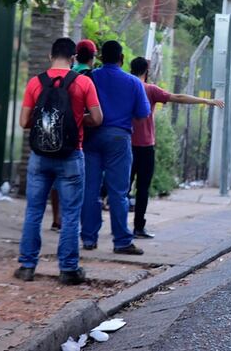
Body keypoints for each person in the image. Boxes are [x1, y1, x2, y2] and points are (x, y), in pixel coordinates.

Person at [15, 38, 102, 285]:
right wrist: (73, 122)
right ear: (74, 58)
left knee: (33, 210)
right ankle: (68, 269)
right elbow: (97, 118)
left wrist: (46, 124)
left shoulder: (35, 82)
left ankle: (27, 266)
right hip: (71, 154)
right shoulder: (83, 82)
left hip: (40, 155)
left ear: (49, 56)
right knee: (71, 213)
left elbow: (24, 122)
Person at [129, 57, 224, 238]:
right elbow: (178, 97)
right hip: (145, 146)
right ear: (146, 72)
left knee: (122, 188)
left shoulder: (125, 87)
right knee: (142, 188)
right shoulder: (150, 89)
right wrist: (206, 101)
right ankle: (138, 227)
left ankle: (119, 230)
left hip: (125, 144)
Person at [81, 41, 150, 255]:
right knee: (119, 192)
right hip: (120, 138)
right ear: (121, 59)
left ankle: (89, 239)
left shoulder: (89, 78)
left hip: (91, 137)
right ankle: (121, 241)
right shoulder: (133, 82)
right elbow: (142, 113)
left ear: (100, 58)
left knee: (90, 190)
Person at [49, 39, 100, 231]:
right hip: (78, 137)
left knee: (54, 177)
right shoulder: (87, 78)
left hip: (53, 134)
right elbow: (96, 115)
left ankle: (56, 218)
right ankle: (73, 224)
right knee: (74, 179)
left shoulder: (58, 76)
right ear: (93, 57)